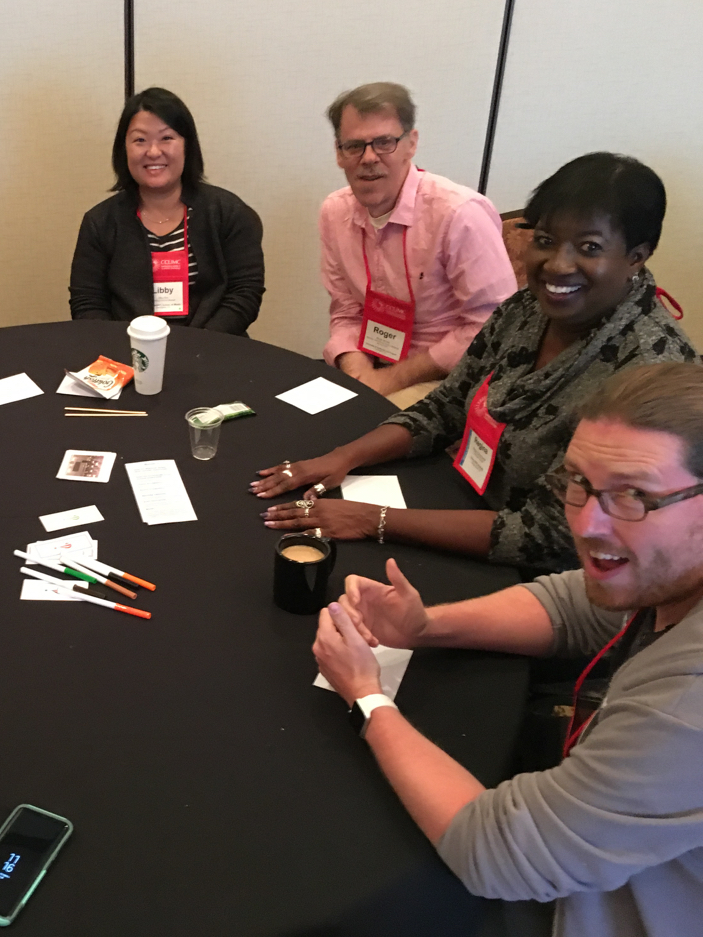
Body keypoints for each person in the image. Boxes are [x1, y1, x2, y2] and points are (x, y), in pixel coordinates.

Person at [312, 362, 703, 937]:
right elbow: (580, 601)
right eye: (579, 483)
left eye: (634, 496)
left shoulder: (684, 711)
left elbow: (493, 854)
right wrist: (424, 626)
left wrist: (367, 698)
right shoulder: (666, 570)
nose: (588, 524)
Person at [254, 152, 695, 574]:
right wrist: (342, 457)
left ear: (637, 256)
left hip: (556, 583)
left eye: (589, 247)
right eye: (545, 241)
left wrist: (374, 520)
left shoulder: (652, 374)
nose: (557, 264)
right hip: (464, 506)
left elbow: (550, 534)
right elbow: (446, 405)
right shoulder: (526, 308)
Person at [320, 82, 517, 405]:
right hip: (370, 366)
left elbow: (490, 327)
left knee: (352, 438)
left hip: (450, 380)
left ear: (411, 143)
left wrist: (389, 379)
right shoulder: (334, 211)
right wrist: (356, 368)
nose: (368, 158)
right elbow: (345, 308)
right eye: (354, 145)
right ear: (339, 153)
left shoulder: (459, 213)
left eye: (384, 142)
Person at [68, 87, 264, 335]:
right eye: (140, 140)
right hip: (125, 353)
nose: (153, 151)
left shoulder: (228, 213)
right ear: (124, 149)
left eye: (166, 138)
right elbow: (88, 302)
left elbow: (245, 292)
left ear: (187, 145)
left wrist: (201, 345)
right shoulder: (100, 222)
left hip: (214, 349)